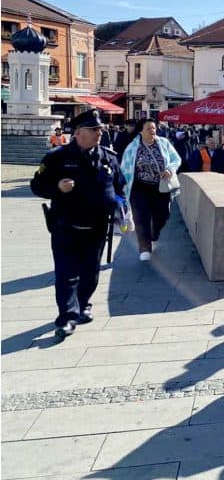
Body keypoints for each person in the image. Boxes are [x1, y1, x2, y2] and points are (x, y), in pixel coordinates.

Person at [30, 109, 124, 338]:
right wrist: (57, 188)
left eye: (100, 129)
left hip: (97, 228)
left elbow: (121, 187)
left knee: (91, 274)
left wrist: (122, 208)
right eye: (94, 129)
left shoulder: (109, 157)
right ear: (79, 133)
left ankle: (83, 305)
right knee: (66, 274)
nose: (99, 133)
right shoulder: (57, 157)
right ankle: (66, 317)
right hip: (66, 226)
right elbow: (37, 186)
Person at [120, 118, 182, 261]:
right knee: (141, 217)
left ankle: (154, 235)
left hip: (160, 187)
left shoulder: (164, 143)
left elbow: (176, 159)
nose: (152, 131)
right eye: (149, 128)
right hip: (139, 187)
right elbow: (125, 167)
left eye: (154, 128)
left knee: (163, 215)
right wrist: (123, 186)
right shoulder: (133, 147)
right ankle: (144, 247)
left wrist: (170, 169)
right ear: (141, 131)